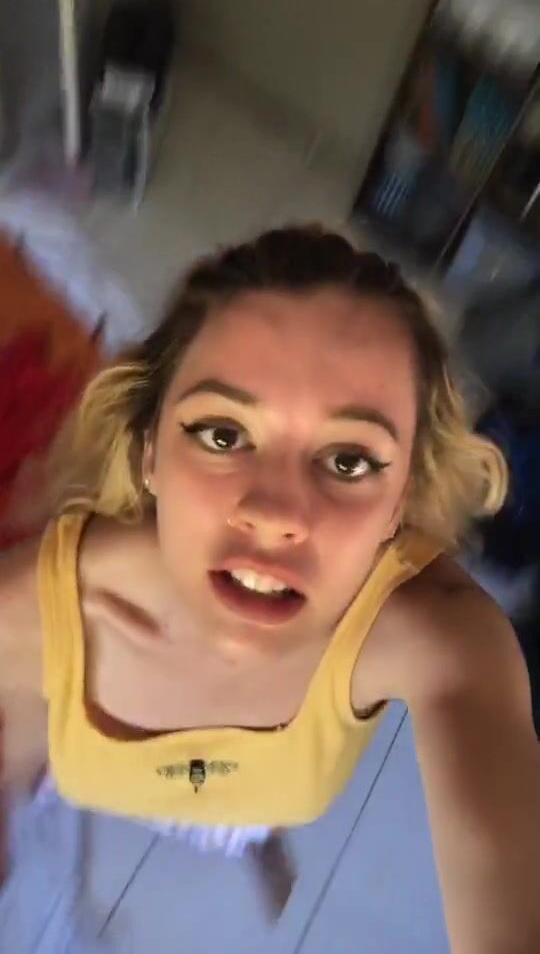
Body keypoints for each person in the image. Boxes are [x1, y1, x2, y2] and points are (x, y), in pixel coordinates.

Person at [1, 225, 539, 950]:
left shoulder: (430, 636)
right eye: (223, 436)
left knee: (248, 817)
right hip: (97, 796)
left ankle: (251, 837)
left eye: (349, 461)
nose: (276, 515)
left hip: (250, 803)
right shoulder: (35, 613)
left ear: (402, 505)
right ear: (149, 450)